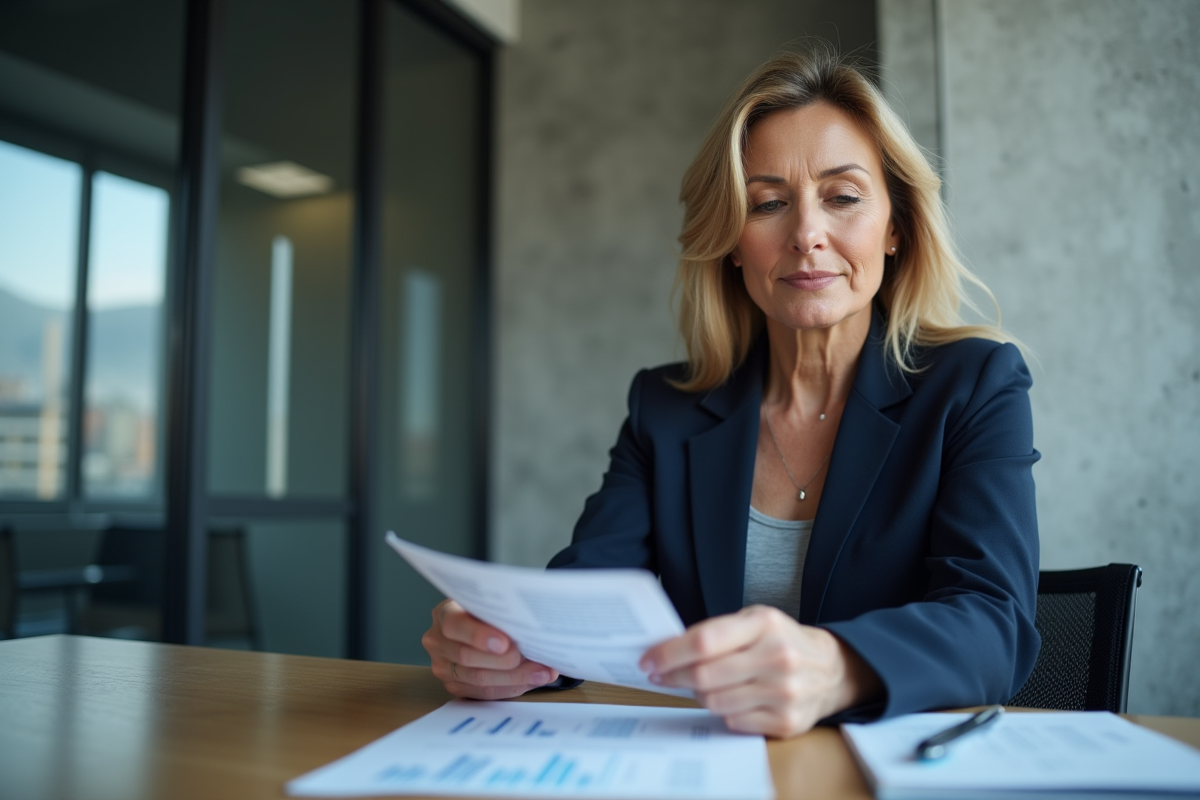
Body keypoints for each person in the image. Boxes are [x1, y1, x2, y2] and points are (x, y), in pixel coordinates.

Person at [422, 47, 1040, 738]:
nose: (807, 235)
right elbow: (585, 597)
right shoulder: (666, 409)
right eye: (769, 203)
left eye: (842, 197)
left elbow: (996, 623)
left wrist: (835, 666)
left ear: (894, 226)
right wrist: (504, 645)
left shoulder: (976, 385)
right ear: (733, 242)